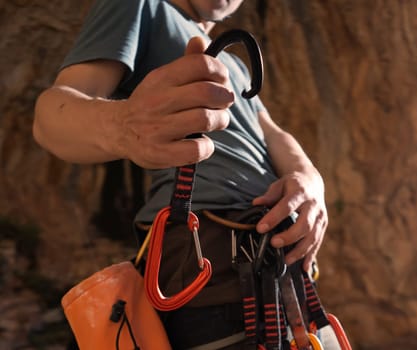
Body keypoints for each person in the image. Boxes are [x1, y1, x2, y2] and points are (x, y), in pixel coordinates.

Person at [33, 0, 328, 348]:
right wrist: (123, 126)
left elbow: (271, 131)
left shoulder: (235, 64)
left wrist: (310, 179)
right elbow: (51, 116)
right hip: (206, 257)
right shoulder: (142, 6)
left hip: (282, 265)